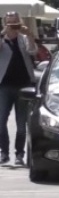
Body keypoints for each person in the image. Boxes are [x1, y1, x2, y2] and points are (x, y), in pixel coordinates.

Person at [0, 12, 37, 166]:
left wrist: (29, 35)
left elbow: (33, 51)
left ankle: (19, 154)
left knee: (21, 124)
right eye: (9, 23)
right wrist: (2, 34)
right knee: (1, 121)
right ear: (4, 23)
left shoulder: (23, 39)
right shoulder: (2, 40)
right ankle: (4, 153)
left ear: (19, 22)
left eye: (15, 22)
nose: (12, 26)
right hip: (4, 86)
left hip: (24, 86)